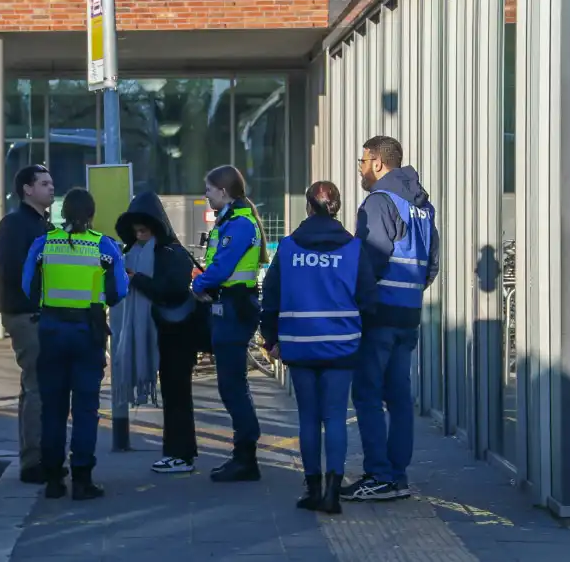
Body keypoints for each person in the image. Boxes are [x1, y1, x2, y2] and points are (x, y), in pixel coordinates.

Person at [259, 181, 378, 514]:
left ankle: (312, 489)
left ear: (308, 208)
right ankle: (332, 493)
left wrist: (271, 339)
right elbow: (368, 301)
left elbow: (270, 298)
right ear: (337, 208)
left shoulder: (288, 248)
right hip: (341, 346)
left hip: (298, 345)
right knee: (336, 417)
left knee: (308, 418)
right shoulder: (354, 249)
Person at [342, 135, 440, 502]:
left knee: (366, 393)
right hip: (408, 313)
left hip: (379, 312)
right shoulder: (422, 206)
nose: (361, 169)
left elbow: (371, 259)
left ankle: (378, 475)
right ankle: (396, 476)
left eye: (362, 162)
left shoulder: (379, 202)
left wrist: (355, 301)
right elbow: (432, 264)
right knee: (399, 396)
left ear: (378, 163)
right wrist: (411, 291)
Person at [22, 187, 128, 500]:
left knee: (52, 408)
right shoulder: (104, 246)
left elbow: (27, 284)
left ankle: (54, 479)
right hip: (87, 332)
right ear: (91, 213)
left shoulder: (43, 243)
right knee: (85, 408)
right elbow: (118, 290)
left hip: (51, 330)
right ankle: (82, 479)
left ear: (61, 211)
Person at [192, 165, 268, 483]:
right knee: (232, 383)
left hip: (235, 307)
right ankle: (243, 453)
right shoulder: (233, 220)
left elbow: (222, 268)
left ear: (223, 192)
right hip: (232, 306)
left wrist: (198, 285)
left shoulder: (238, 224)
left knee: (231, 385)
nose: (206, 195)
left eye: (209, 190)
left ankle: (246, 455)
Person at [114, 191, 199, 474]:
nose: (139, 235)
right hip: (167, 333)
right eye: (135, 231)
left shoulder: (171, 253)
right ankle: (177, 453)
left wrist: (137, 280)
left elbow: (171, 291)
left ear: (157, 226)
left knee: (177, 396)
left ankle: (180, 454)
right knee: (175, 396)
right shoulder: (138, 253)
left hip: (176, 335)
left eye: (145, 229)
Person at [0, 164, 55, 484]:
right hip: (27, 314)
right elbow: (15, 272)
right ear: (27, 189)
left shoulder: (43, 225)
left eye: (51, 183)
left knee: (35, 385)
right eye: (44, 183)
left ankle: (39, 453)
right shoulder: (15, 225)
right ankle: (33, 461)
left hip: (38, 313)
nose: (51, 188)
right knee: (37, 386)